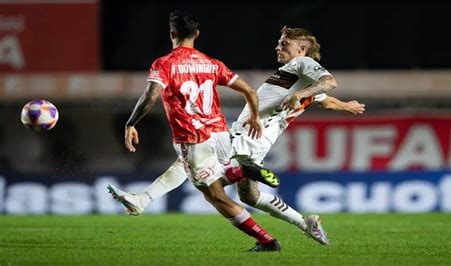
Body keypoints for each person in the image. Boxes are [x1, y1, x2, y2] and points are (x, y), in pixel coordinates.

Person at [109, 25, 365, 246]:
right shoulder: (297, 76)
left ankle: (142, 198)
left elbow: (329, 82)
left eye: (285, 44)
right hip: (258, 139)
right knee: (249, 197)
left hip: (249, 134)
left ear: (301, 50)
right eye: (278, 42)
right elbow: (325, 99)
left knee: (191, 162)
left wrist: (298, 95)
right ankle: (305, 222)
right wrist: (345, 106)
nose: (278, 47)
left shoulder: (303, 64)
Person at [108, 10, 282, 252]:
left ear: (171, 34)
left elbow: (150, 96)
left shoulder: (165, 64)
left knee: (215, 196)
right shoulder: (212, 64)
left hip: (192, 137)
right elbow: (250, 91)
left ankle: (266, 239)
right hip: (220, 134)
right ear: (197, 34)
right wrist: (254, 117)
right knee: (185, 168)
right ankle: (142, 200)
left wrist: (131, 123)